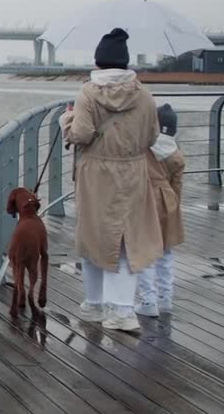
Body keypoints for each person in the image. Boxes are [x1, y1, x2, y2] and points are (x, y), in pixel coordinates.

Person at [61, 28, 163, 332]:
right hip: (132, 171)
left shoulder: (88, 93)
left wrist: (66, 119)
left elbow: (80, 135)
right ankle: (122, 309)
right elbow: (153, 136)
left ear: (99, 61)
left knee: (93, 238)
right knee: (125, 241)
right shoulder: (144, 95)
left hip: (96, 174)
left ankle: (95, 304)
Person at [136, 103, 185, 317]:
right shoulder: (176, 155)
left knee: (145, 251)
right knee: (166, 251)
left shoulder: (144, 150)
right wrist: (174, 208)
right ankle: (166, 297)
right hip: (168, 201)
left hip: (144, 200)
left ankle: (148, 299)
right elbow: (177, 186)